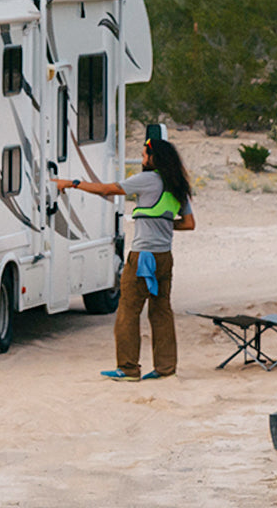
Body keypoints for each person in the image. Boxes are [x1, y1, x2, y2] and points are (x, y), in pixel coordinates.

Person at [53, 139, 195, 381]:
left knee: (128, 311)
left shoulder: (148, 180)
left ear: (154, 158)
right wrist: (162, 225)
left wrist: (73, 183)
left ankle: (128, 368)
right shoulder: (177, 185)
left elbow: (109, 190)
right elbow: (189, 223)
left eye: (143, 155)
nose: (142, 159)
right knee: (161, 312)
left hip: (142, 255)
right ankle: (165, 368)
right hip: (164, 257)